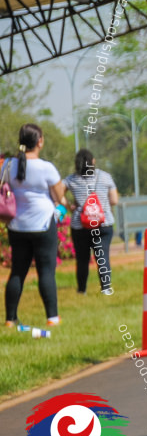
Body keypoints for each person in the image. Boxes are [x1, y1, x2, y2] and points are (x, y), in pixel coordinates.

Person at [4, 124, 64, 327]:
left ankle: (10, 319)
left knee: (17, 272)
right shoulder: (46, 167)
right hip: (43, 224)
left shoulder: (8, 166)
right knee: (46, 271)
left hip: (17, 226)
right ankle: (52, 318)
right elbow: (59, 196)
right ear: (39, 141)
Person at [62, 150, 118, 294]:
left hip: (80, 225)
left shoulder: (71, 179)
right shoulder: (105, 177)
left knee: (82, 259)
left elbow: (56, 193)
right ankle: (106, 288)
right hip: (103, 224)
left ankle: (82, 290)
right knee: (102, 256)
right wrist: (102, 208)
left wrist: (69, 205)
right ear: (93, 161)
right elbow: (114, 200)